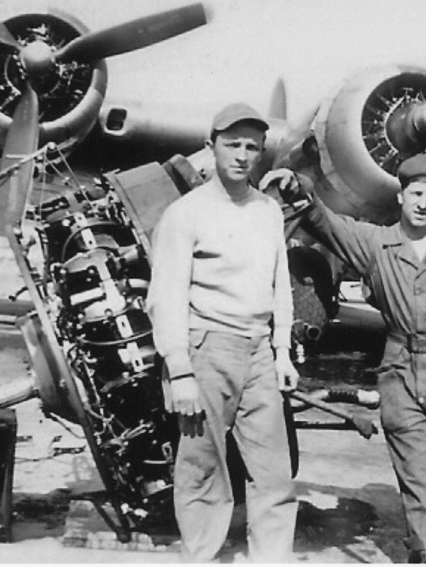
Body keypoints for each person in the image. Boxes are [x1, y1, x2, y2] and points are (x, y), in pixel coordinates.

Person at [261, 154, 426, 563]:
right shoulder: (375, 244)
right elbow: (326, 222)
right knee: (413, 464)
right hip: (400, 366)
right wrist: (299, 188)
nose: (423, 203)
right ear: (401, 197)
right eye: (416, 194)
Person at [146, 102, 298, 563]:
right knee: (202, 467)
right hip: (207, 348)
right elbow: (164, 297)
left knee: (275, 472)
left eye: (253, 147)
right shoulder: (185, 213)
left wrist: (283, 351)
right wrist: (181, 371)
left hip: (259, 354)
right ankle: (202, 555)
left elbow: (280, 286)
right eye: (232, 144)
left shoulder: (268, 210)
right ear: (211, 146)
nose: (242, 155)